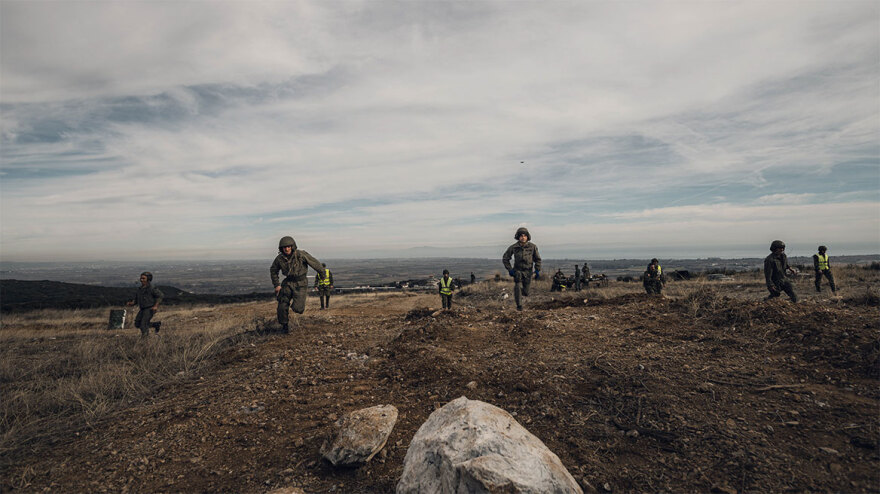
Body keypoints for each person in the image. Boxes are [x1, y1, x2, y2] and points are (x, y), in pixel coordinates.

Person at [270, 236, 325, 333]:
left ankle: (294, 307)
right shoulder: (279, 259)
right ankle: (284, 326)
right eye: (284, 247)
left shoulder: (301, 254)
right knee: (282, 305)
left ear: (292, 246)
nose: (286, 249)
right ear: (281, 248)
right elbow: (273, 270)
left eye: (288, 246)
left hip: (301, 283)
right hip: (287, 283)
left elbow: (315, 263)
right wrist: (277, 285)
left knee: (298, 308)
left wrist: (322, 274)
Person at [502, 227, 542, 311]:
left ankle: (519, 293)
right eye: (521, 236)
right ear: (518, 237)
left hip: (528, 272)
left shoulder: (532, 247)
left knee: (526, 292)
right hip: (518, 271)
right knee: (517, 286)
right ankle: (519, 306)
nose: (523, 237)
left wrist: (537, 270)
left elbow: (537, 259)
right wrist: (510, 269)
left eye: (524, 236)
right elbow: (505, 258)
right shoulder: (514, 247)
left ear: (527, 237)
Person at [126, 271, 163, 337]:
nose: (141, 280)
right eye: (141, 278)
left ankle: (145, 339)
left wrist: (155, 306)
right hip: (142, 309)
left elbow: (160, 296)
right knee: (137, 324)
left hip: (149, 308)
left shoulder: (152, 288)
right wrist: (132, 303)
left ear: (148, 279)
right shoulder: (140, 289)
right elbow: (137, 300)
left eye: (143, 278)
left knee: (143, 325)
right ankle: (155, 324)